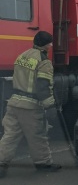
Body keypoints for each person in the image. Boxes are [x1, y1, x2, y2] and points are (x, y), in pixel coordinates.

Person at [0, 31, 61, 177]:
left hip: (14, 103)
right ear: (47, 45)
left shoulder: (22, 56)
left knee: (10, 135)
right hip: (30, 106)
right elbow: (43, 86)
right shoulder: (43, 61)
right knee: (38, 135)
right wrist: (50, 106)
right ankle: (44, 164)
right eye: (50, 43)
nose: (51, 46)